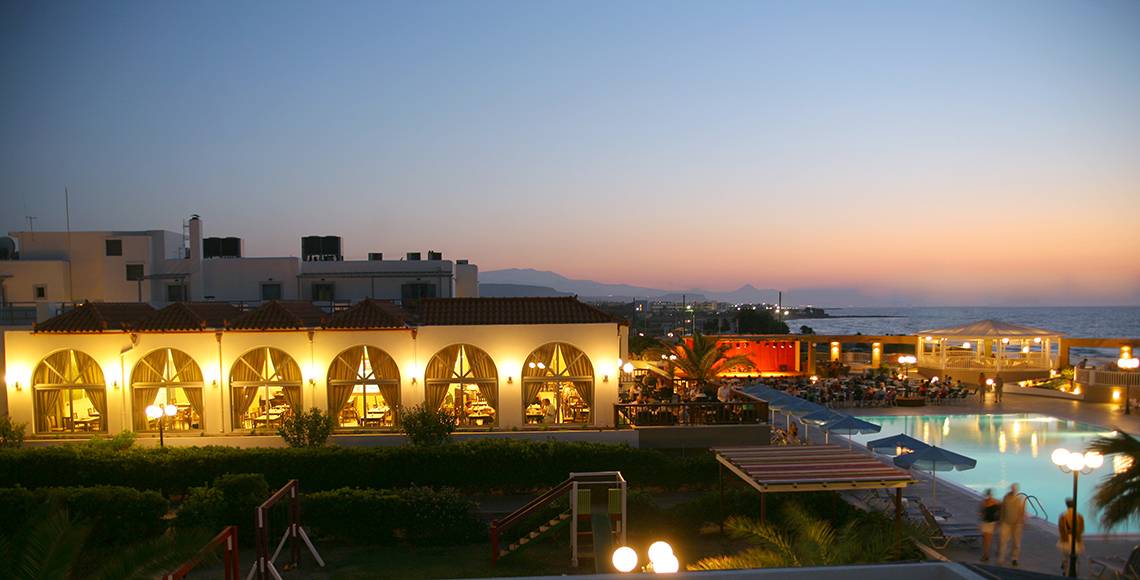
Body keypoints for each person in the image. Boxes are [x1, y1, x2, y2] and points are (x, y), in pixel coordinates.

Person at [998, 483, 1026, 566]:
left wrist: (1021, 522)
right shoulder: (1006, 497)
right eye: (1012, 488)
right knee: (1003, 541)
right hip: (1006, 523)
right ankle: (1001, 557)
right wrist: (1001, 520)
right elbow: (1002, 510)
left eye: (1015, 489)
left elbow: (1022, 511)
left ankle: (1014, 558)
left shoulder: (1021, 498)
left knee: (1016, 543)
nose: (1013, 490)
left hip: (1017, 524)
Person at [1058, 497, 1085, 574]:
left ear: (1067, 505)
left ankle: (1065, 570)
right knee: (1075, 558)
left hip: (1066, 539)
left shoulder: (1063, 516)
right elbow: (1082, 529)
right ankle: (1074, 572)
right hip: (1076, 539)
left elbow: (1061, 529)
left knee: (1065, 556)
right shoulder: (1079, 516)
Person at [979, 489, 1000, 562]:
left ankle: (986, 555)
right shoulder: (984, 502)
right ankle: (986, 554)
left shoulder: (995, 502)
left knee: (987, 540)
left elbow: (999, 513)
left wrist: (997, 522)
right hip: (985, 523)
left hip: (991, 523)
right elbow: (981, 512)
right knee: (985, 540)